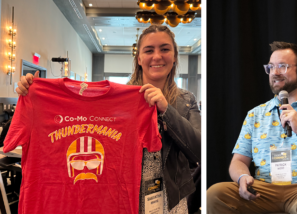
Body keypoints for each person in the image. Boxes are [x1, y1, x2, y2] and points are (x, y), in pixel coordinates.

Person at [16, 25, 203, 213]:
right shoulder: (121, 101)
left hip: (170, 199)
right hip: (127, 197)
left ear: (174, 56)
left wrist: (166, 110)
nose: (156, 56)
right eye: (148, 50)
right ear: (139, 58)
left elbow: (200, 150)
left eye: (164, 49)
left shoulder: (185, 101)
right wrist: (31, 91)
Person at [206, 41, 297, 214]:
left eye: (282, 66)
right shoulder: (255, 114)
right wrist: (242, 177)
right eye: (271, 67)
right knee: (215, 194)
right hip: (265, 191)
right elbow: (238, 161)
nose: (275, 72)